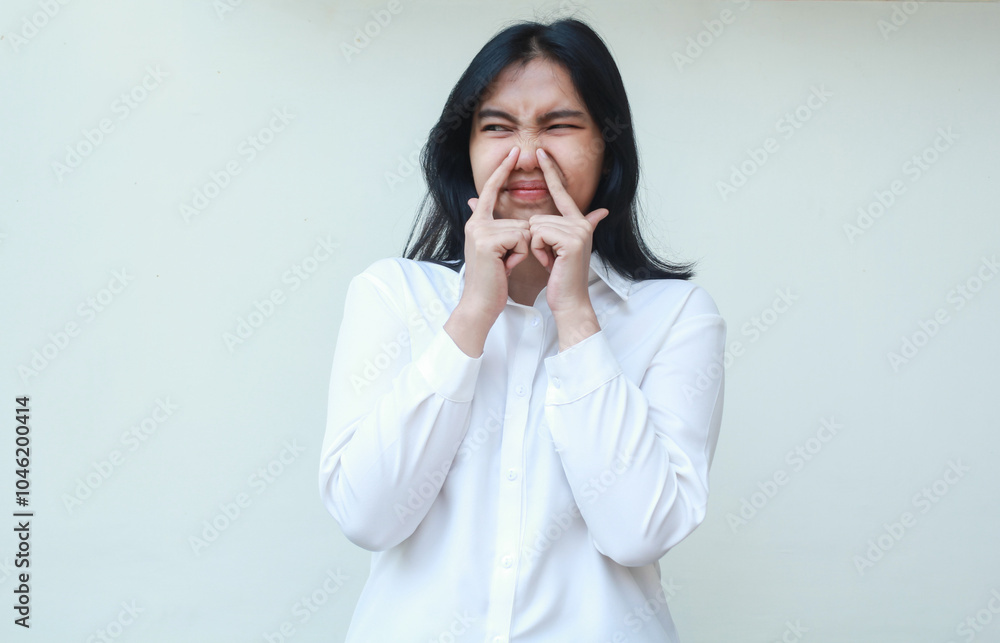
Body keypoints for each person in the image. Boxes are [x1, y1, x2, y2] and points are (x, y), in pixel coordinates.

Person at [319, 17, 726, 643]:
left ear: (608, 146)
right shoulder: (391, 295)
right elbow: (368, 517)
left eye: (560, 125)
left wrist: (576, 318)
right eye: (498, 128)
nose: (528, 155)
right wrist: (472, 316)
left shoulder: (676, 316)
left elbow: (639, 532)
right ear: (466, 151)